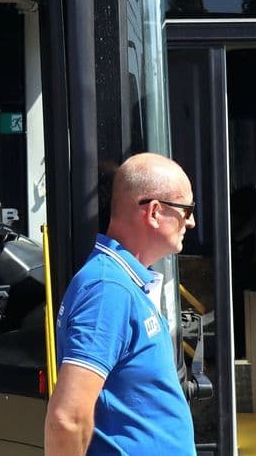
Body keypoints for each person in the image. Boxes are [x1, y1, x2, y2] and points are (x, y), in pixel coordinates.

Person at [44, 153, 197, 454]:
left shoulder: (121, 282)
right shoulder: (108, 290)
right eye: (187, 209)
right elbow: (66, 419)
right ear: (154, 212)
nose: (191, 222)